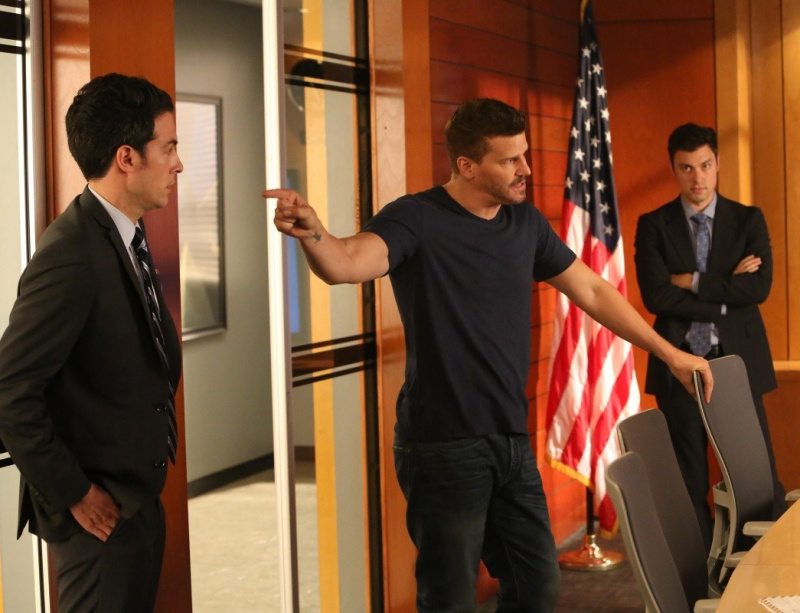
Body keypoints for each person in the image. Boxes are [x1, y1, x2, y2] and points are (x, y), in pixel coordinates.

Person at [266, 98, 712, 613]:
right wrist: (313, 232)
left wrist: (670, 354)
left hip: (510, 439)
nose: (526, 169)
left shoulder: (524, 223)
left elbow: (592, 290)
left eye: (525, 155)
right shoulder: (417, 217)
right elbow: (345, 263)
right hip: (442, 445)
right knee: (449, 600)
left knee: (536, 589)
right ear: (467, 165)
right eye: (509, 160)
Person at [0, 73, 183, 613]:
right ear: (127, 158)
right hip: (97, 516)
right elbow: (10, 390)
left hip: (135, 499)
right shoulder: (72, 252)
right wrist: (76, 493)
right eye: (168, 147)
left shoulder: (124, 234)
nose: (177, 164)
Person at [634, 122, 785, 553]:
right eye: (686, 168)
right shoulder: (654, 225)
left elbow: (758, 288)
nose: (697, 178)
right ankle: (699, 567)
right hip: (678, 366)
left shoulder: (748, 219)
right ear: (673, 169)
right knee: (687, 479)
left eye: (704, 165)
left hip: (737, 364)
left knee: (753, 474)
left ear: (717, 164)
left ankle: (759, 565)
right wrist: (724, 296)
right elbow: (656, 296)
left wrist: (692, 281)